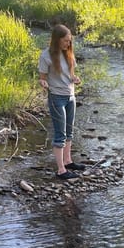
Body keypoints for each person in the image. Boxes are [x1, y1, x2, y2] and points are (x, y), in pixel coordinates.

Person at [38, 24, 86, 180]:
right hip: (56, 98)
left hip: (71, 97)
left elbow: (71, 75)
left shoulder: (69, 53)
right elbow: (43, 78)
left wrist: (75, 79)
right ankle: (61, 170)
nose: (68, 43)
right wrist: (43, 83)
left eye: (70, 40)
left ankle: (68, 161)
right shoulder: (46, 56)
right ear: (57, 40)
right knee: (60, 135)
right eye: (66, 41)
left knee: (69, 132)